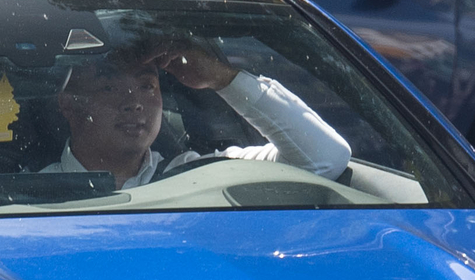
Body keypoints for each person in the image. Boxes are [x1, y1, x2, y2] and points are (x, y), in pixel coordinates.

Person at [40, 40, 350, 190]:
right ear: (69, 106)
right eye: (108, 88)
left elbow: (325, 158)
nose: (134, 103)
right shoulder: (27, 193)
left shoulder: (199, 178)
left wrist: (223, 78)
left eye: (147, 86)